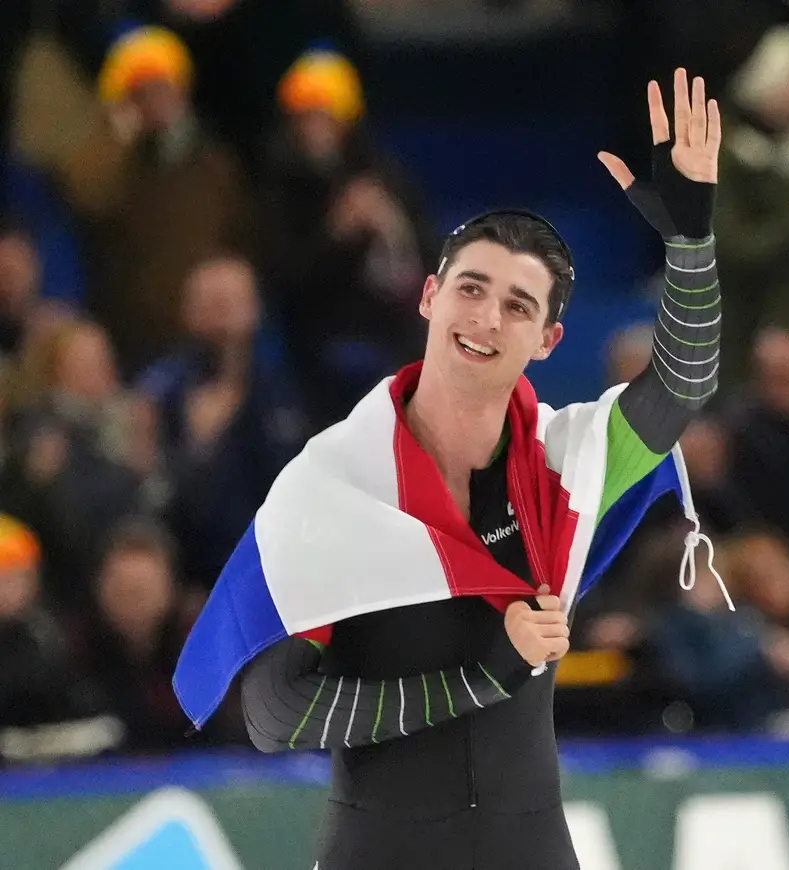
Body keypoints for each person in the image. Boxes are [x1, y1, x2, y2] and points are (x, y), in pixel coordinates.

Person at [174, 69, 726, 869]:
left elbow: (683, 382)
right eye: (472, 288)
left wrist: (691, 243)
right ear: (430, 296)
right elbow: (274, 713)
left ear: (548, 341)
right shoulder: (334, 485)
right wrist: (486, 675)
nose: (486, 317)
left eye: (518, 306)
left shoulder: (569, 467)